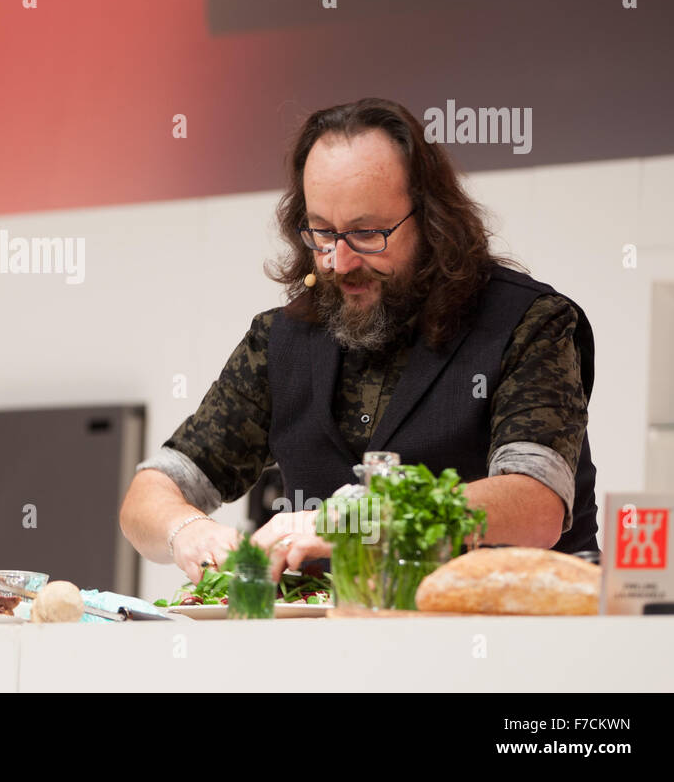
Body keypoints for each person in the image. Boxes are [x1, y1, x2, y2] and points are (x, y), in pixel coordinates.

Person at [119, 98, 598, 584]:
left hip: (513, 638)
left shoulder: (525, 323)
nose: (339, 261)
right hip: (341, 647)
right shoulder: (279, 341)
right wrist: (189, 531)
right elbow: (150, 492)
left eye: (367, 233)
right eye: (322, 233)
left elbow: (535, 504)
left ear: (432, 220)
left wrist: (354, 522)